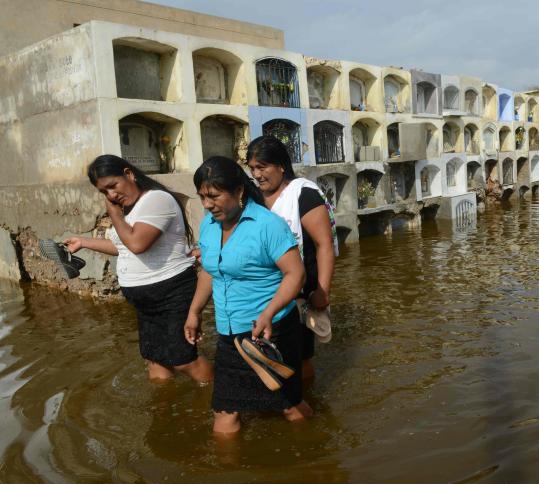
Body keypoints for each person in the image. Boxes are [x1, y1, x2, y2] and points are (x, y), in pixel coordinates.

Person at [184, 156, 310, 433]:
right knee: (224, 414)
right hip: (229, 335)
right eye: (202, 197)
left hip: (268, 333)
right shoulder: (209, 224)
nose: (207, 205)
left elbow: (295, 274)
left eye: (214, 196)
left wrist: (269, 312)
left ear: (239, 191)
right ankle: (227, 473)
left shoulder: (267, 225)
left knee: (289, 406)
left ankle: (317, 453)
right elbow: (209, 270)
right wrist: (194, 312)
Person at [63, 155, 212, 383]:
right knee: (155, 360)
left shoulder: (156, 200)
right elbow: (123, 246)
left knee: (184, 360)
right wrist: (83, 242)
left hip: (172, 292)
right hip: (146, 301)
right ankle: (164, 410)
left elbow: (137, 244)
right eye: (104, 192)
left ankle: (223, 402)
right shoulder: (129, 209)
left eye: (113, 186)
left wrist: (113, 213)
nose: (111, 196)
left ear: (129, 174)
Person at [245, 136, 337, 381]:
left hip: (299, 292)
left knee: (300, 357)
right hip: (265, 291)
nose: (257, 174)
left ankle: (305, 400)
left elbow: (324, 244)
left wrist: (322, 291)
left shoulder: (303, 195)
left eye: (262, 167)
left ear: (281, 166)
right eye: (252, 168)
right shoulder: (253, 198)